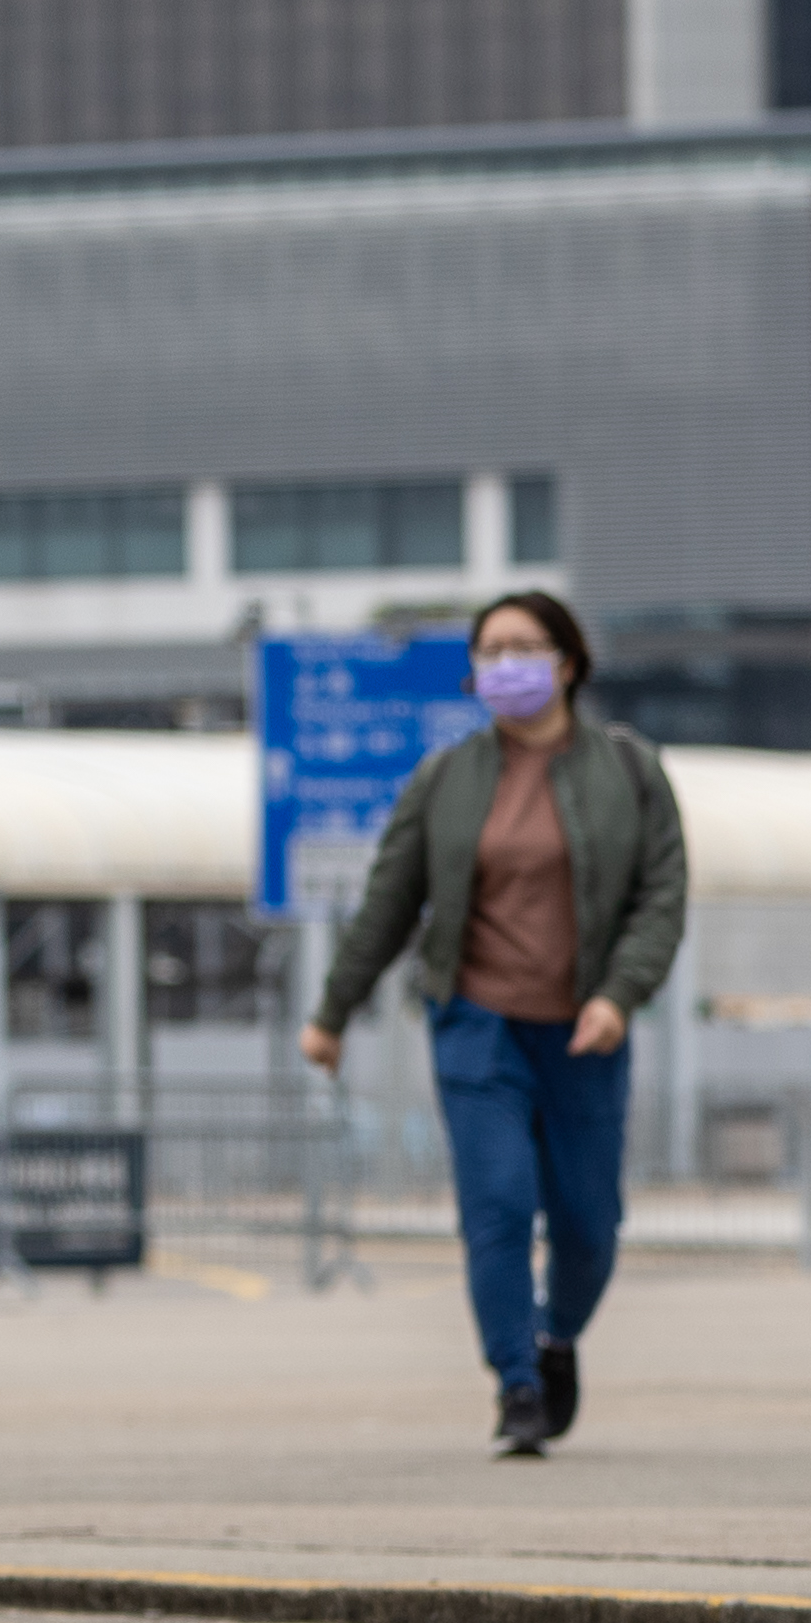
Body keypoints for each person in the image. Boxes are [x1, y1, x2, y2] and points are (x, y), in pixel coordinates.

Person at [301, 590, 687, 1459]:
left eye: (524, 645)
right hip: (477, 1024)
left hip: (586, 1031)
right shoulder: (446, 781)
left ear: (568, 662)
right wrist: (331, 1013)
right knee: (499, 1206)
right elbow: (389, 903)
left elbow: (661, 899)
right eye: (490, 650)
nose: (504, 663)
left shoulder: (628, 771)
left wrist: (619, 995)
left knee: (589, 1224)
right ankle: (515, 1382)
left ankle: (556, 1339)